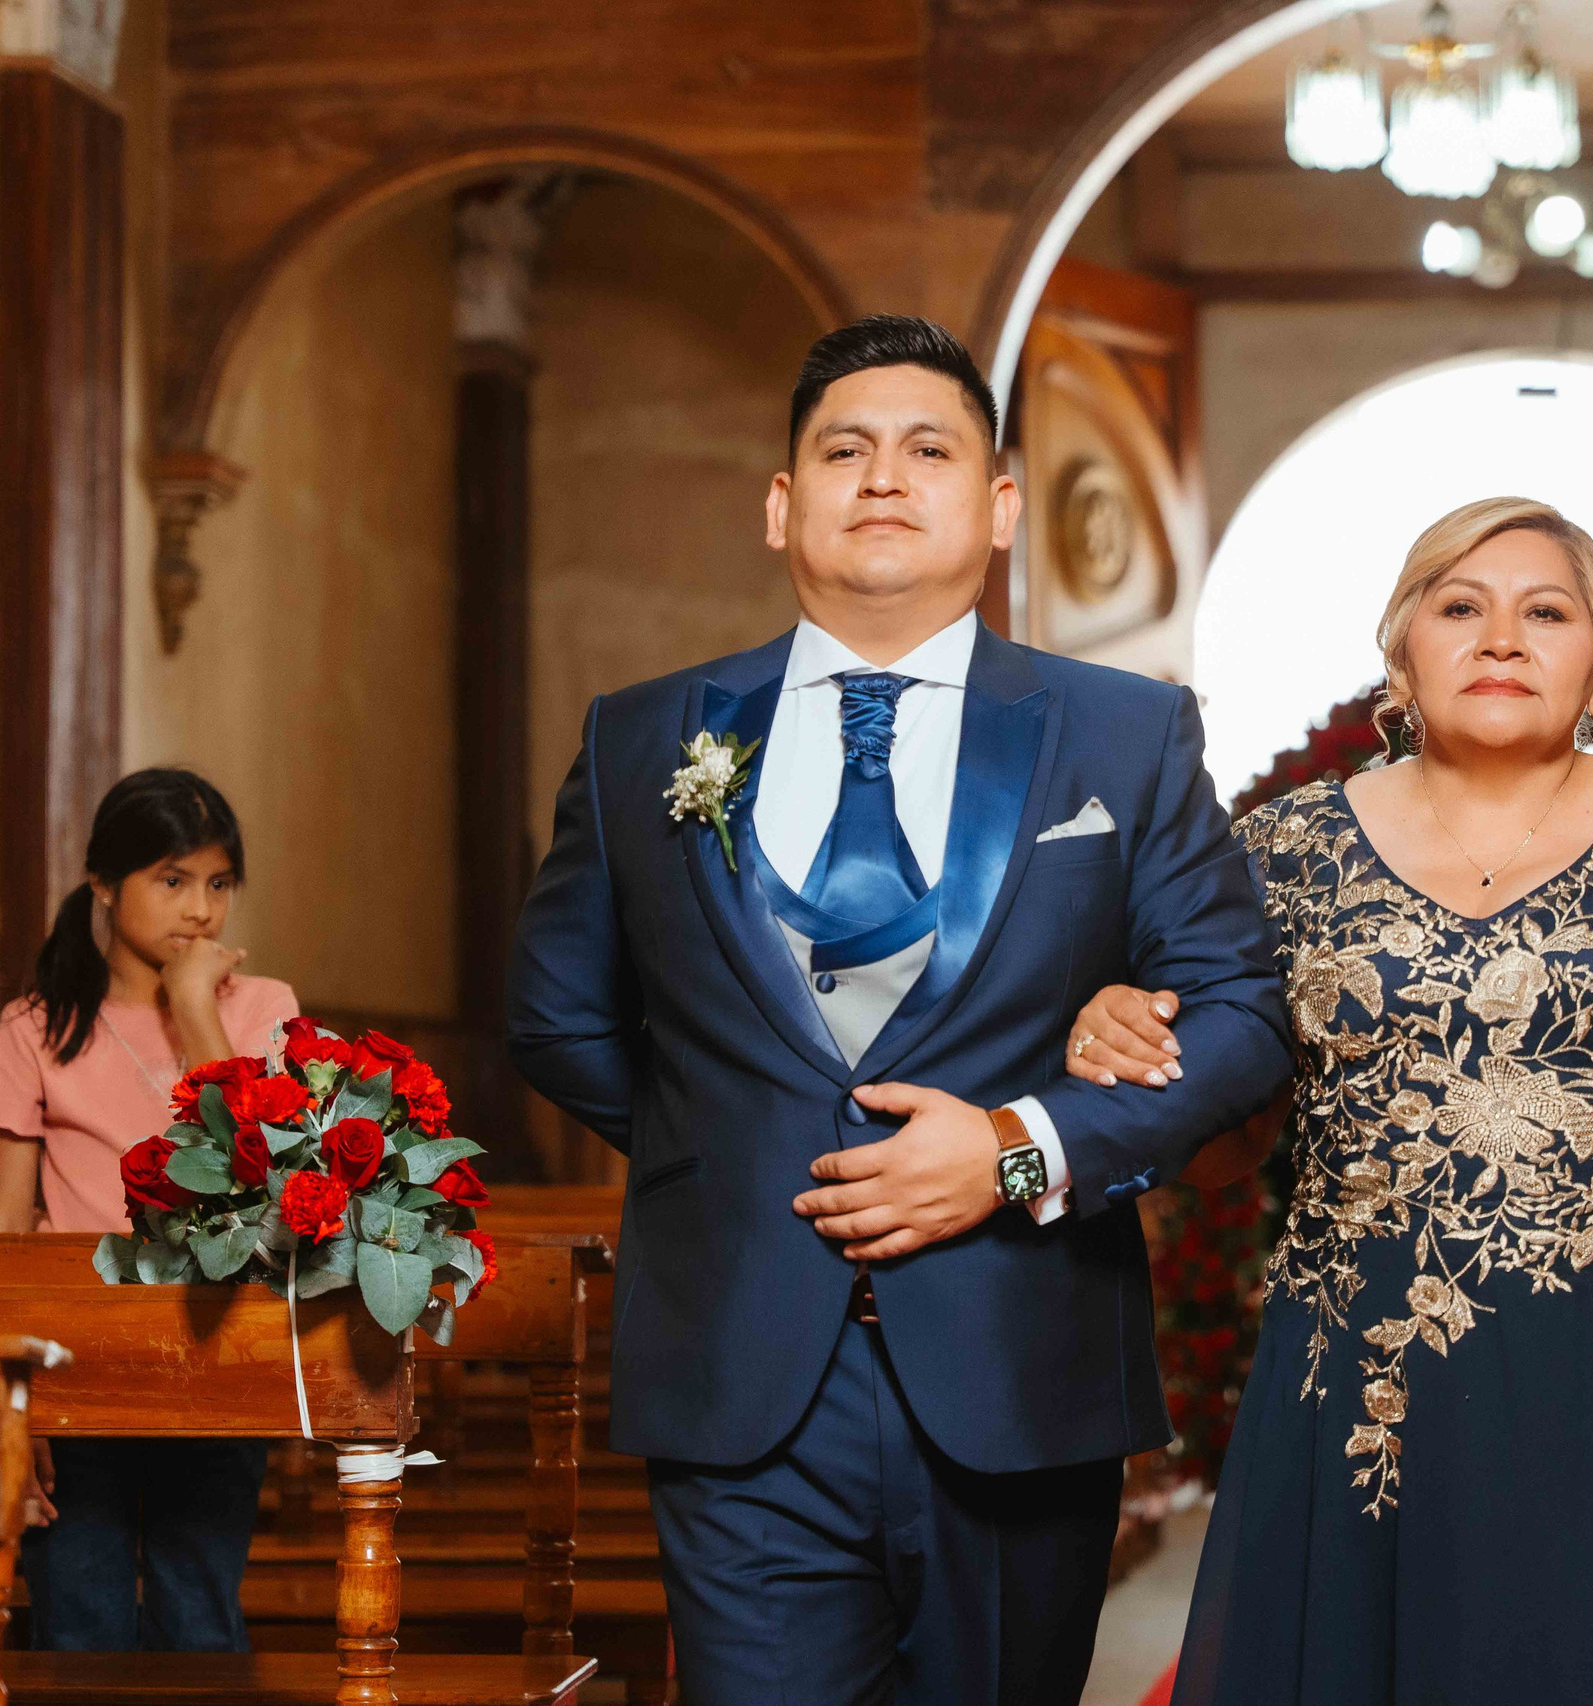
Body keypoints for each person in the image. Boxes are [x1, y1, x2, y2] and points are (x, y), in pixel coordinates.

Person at [506, 315, 1292, 1706]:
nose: (883, 475)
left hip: (1017, 1359)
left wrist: (1013, 1148)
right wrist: (743, 1145)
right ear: (781, 504)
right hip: (742, 1381)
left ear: (998, 509)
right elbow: (559, 1015)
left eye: (929, 450)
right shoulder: (643, 735)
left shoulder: (1124, 730)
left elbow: (1240, 1014)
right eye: (843, 450)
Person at [1065, 499, 1593, 1706]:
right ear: (1401, 654)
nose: (1501, 638)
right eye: (1460, 606)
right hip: (1368, 1384)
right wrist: (1129, 1043)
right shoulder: (1283, 853)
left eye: (1547, 612)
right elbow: (1229, 1141)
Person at [0, 768, 297, 1653]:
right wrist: (7, 1397)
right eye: (172, 880)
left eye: (219, 884)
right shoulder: (36, 1027)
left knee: (200, 1622)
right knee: (79, 1624)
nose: (200, 910)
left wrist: (193, 1007)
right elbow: (1, 1229)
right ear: (104, 885)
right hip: (74, 1366)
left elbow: (262, 1176)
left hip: (217, 1353)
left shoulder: (263, 1010)